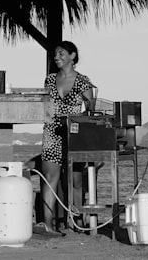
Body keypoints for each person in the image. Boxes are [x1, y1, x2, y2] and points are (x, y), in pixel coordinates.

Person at [37, 41, 95, 235]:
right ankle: (48, 224)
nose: (57, 57)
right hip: (52, 131)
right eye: (55, 54)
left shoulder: (83, 81)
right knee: (49, 178)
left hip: (74, 132)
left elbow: (91, 112)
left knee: (76, 180)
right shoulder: (50, 79)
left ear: (72, 55)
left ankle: (76, 222)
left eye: (61, 53)